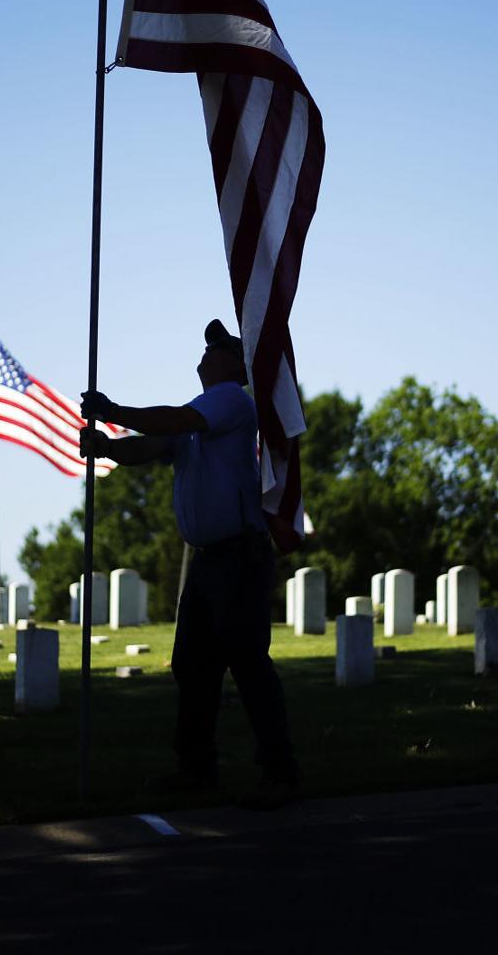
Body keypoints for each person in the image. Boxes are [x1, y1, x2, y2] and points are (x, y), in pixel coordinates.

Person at [79, 319, 298, 809]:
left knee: (246, 663)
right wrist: (109, 446)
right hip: (209, 561)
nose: (205, 352)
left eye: (215, 347)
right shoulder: (204, 412)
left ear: (234, 365)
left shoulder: (230, 401)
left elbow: (172, 423)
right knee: (193, 666)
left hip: (237, 556)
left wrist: (111, 410)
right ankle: (197, 771)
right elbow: (154, 445)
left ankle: (280, 772)